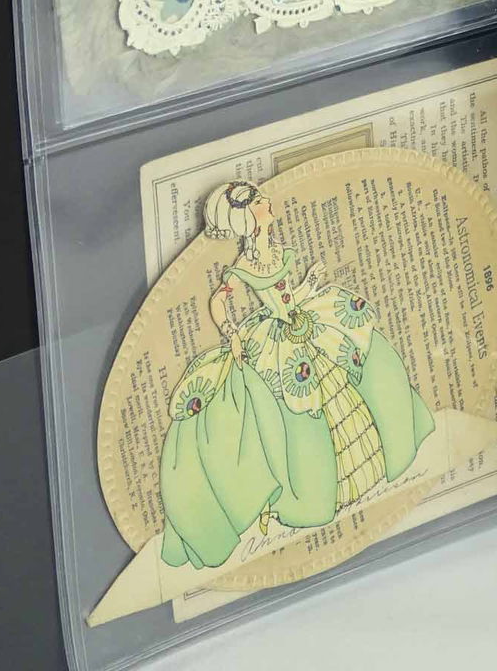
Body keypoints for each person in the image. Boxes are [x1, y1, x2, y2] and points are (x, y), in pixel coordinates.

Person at [157, 180, 435, 570]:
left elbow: (291, 296)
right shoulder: (245, 266)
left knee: (353, 366)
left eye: (261, 197)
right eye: (257, 201)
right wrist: (232, 333)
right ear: (246, 217)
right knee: (298, 412)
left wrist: (309, 283)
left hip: (305, 322)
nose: (266, 202)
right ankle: (302, 495)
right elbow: (220, 300)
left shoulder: (277, 252)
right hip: (279, 341)